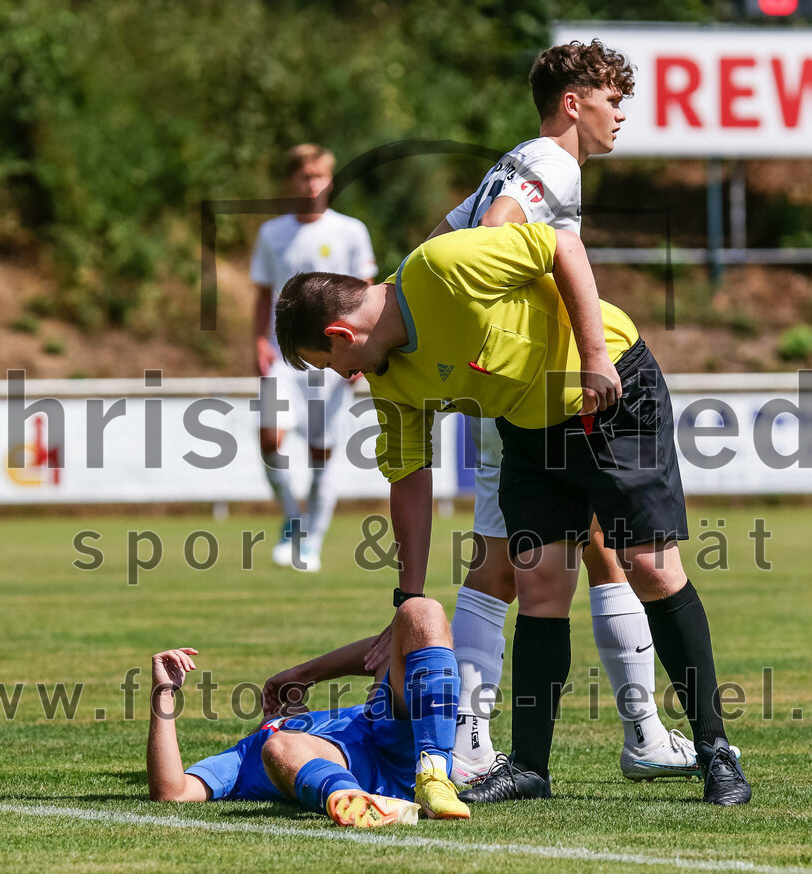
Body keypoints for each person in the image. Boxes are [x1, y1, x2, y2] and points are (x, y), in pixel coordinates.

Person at [274, 221, 751, 806]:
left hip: (611, 392)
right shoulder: (390, 377)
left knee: (649, 568)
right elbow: (409, 479)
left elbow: (562, 245)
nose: (344, 376)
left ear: (341, 333)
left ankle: (716, 752)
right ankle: (529, 767)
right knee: (541, 584)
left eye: (329, 362)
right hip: (527, 432)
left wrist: (595, 353)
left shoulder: (440, 269)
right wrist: (408, 601)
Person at [425, 39, 716, 786]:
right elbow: (493, 233)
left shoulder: (521, 160)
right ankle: (471, 743)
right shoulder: (550, 164)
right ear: (573, 101)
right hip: (530, 388)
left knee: (576, 554)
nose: (621, 114)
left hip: (526, 388)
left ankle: (634, 736)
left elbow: (442, 241)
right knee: (513, 565)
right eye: (613, 99)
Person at [145, 597, 470, 826]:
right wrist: (164, 694)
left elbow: (387, 646)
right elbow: (172, 792)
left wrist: (303, 674)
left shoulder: (343, 717)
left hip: (396, 748)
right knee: (279, 746)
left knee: (419, 611)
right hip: (350, 775)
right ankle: (356, 801)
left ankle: (435, 775)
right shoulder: (249, 751)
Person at [251, 144, 376, 572]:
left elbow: (365, 294)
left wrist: (362, 350)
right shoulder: (272, 233)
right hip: (284, 358)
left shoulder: (351, 231)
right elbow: (263, 293)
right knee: (270, 440)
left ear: (330, 180)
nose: (312, 184)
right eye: (304, 177)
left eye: (319, 176)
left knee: (322, 453)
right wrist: (257, 340)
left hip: (332, 356)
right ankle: (292, 520)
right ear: (292, 181)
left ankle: (312, 541)